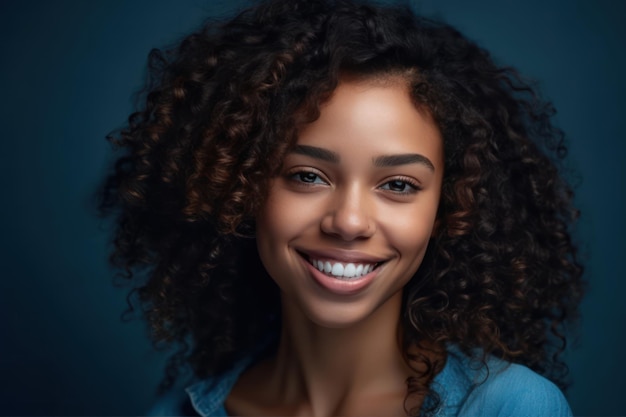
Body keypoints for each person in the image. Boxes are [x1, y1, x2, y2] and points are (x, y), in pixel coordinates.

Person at [98, 0, 585, 415]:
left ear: (450, 207)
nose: (349, 221)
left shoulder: (511, 405)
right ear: (238, 190)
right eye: (307, 176)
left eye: (398, 184)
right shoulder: (179, 412)